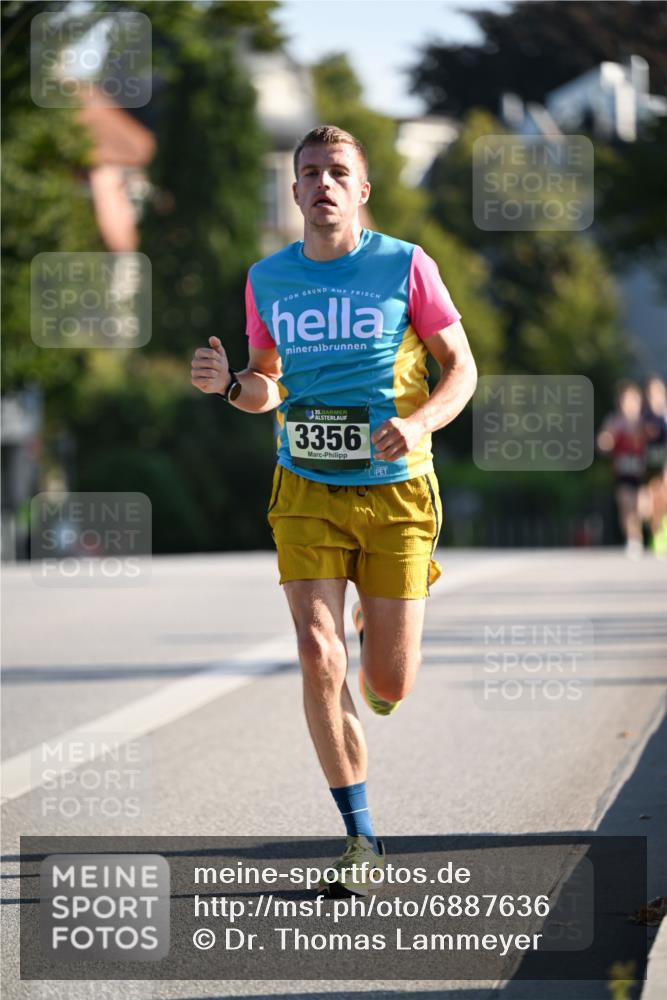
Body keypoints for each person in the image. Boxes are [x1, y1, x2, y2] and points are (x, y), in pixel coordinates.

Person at [191, 125, 477, 894]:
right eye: (309, 172)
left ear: (361, 190)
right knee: (319, 655)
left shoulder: (405, 266)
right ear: (293, 191)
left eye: (337, 172)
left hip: (396, 491)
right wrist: (228, 385)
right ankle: (360, 838)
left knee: (391, 680)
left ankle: (376, 636)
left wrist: (418, 422)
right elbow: (268, 386)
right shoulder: (267, 278)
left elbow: (462, 368)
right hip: (306, 489)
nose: (322, 183)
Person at [597, 381, 647, 558]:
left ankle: (652, 534)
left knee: (642, 506)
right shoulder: (614, 421)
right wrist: (606, 441)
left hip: (645, 473)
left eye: (633, 401)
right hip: (623, 472)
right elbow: (603, 443)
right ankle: (634, 539)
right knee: (626, 504)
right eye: (626, 401)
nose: (630, 405)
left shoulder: (646, 422)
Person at [641, 375, 667, 556]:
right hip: (650, 464)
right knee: (652, 503)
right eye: (650, 394)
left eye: (657, 393)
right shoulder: (644, 418)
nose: (654, 398)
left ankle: (662, 534)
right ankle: (656, 533)